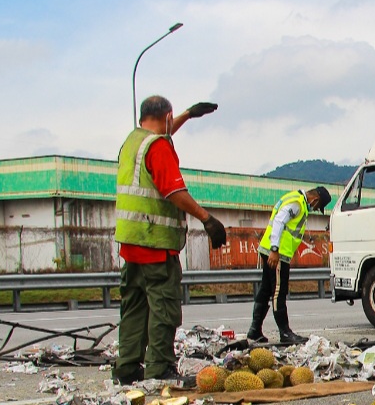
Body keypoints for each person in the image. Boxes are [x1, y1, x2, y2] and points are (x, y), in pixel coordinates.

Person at [113, 95, 227, 384]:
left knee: (134, 308)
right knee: (163, 308)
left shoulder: (132, 143)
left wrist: (188, 115)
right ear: (166, 117)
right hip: (155, 243)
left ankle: (127, 368)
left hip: (131, 243)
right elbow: (173, 191)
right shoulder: (159, 147)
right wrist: (206, 218)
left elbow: (160, 133)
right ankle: (159, 367)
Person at [246, 186, 331, 344]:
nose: (315, 209)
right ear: (315, 199)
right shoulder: (297, 204)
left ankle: (254, 330)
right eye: (318, 206)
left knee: (265, 289)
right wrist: (275, 249)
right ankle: (284, 332)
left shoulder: (293, 197)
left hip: (270, 249)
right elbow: (279, 221)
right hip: (277, 254)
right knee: (278, 291)